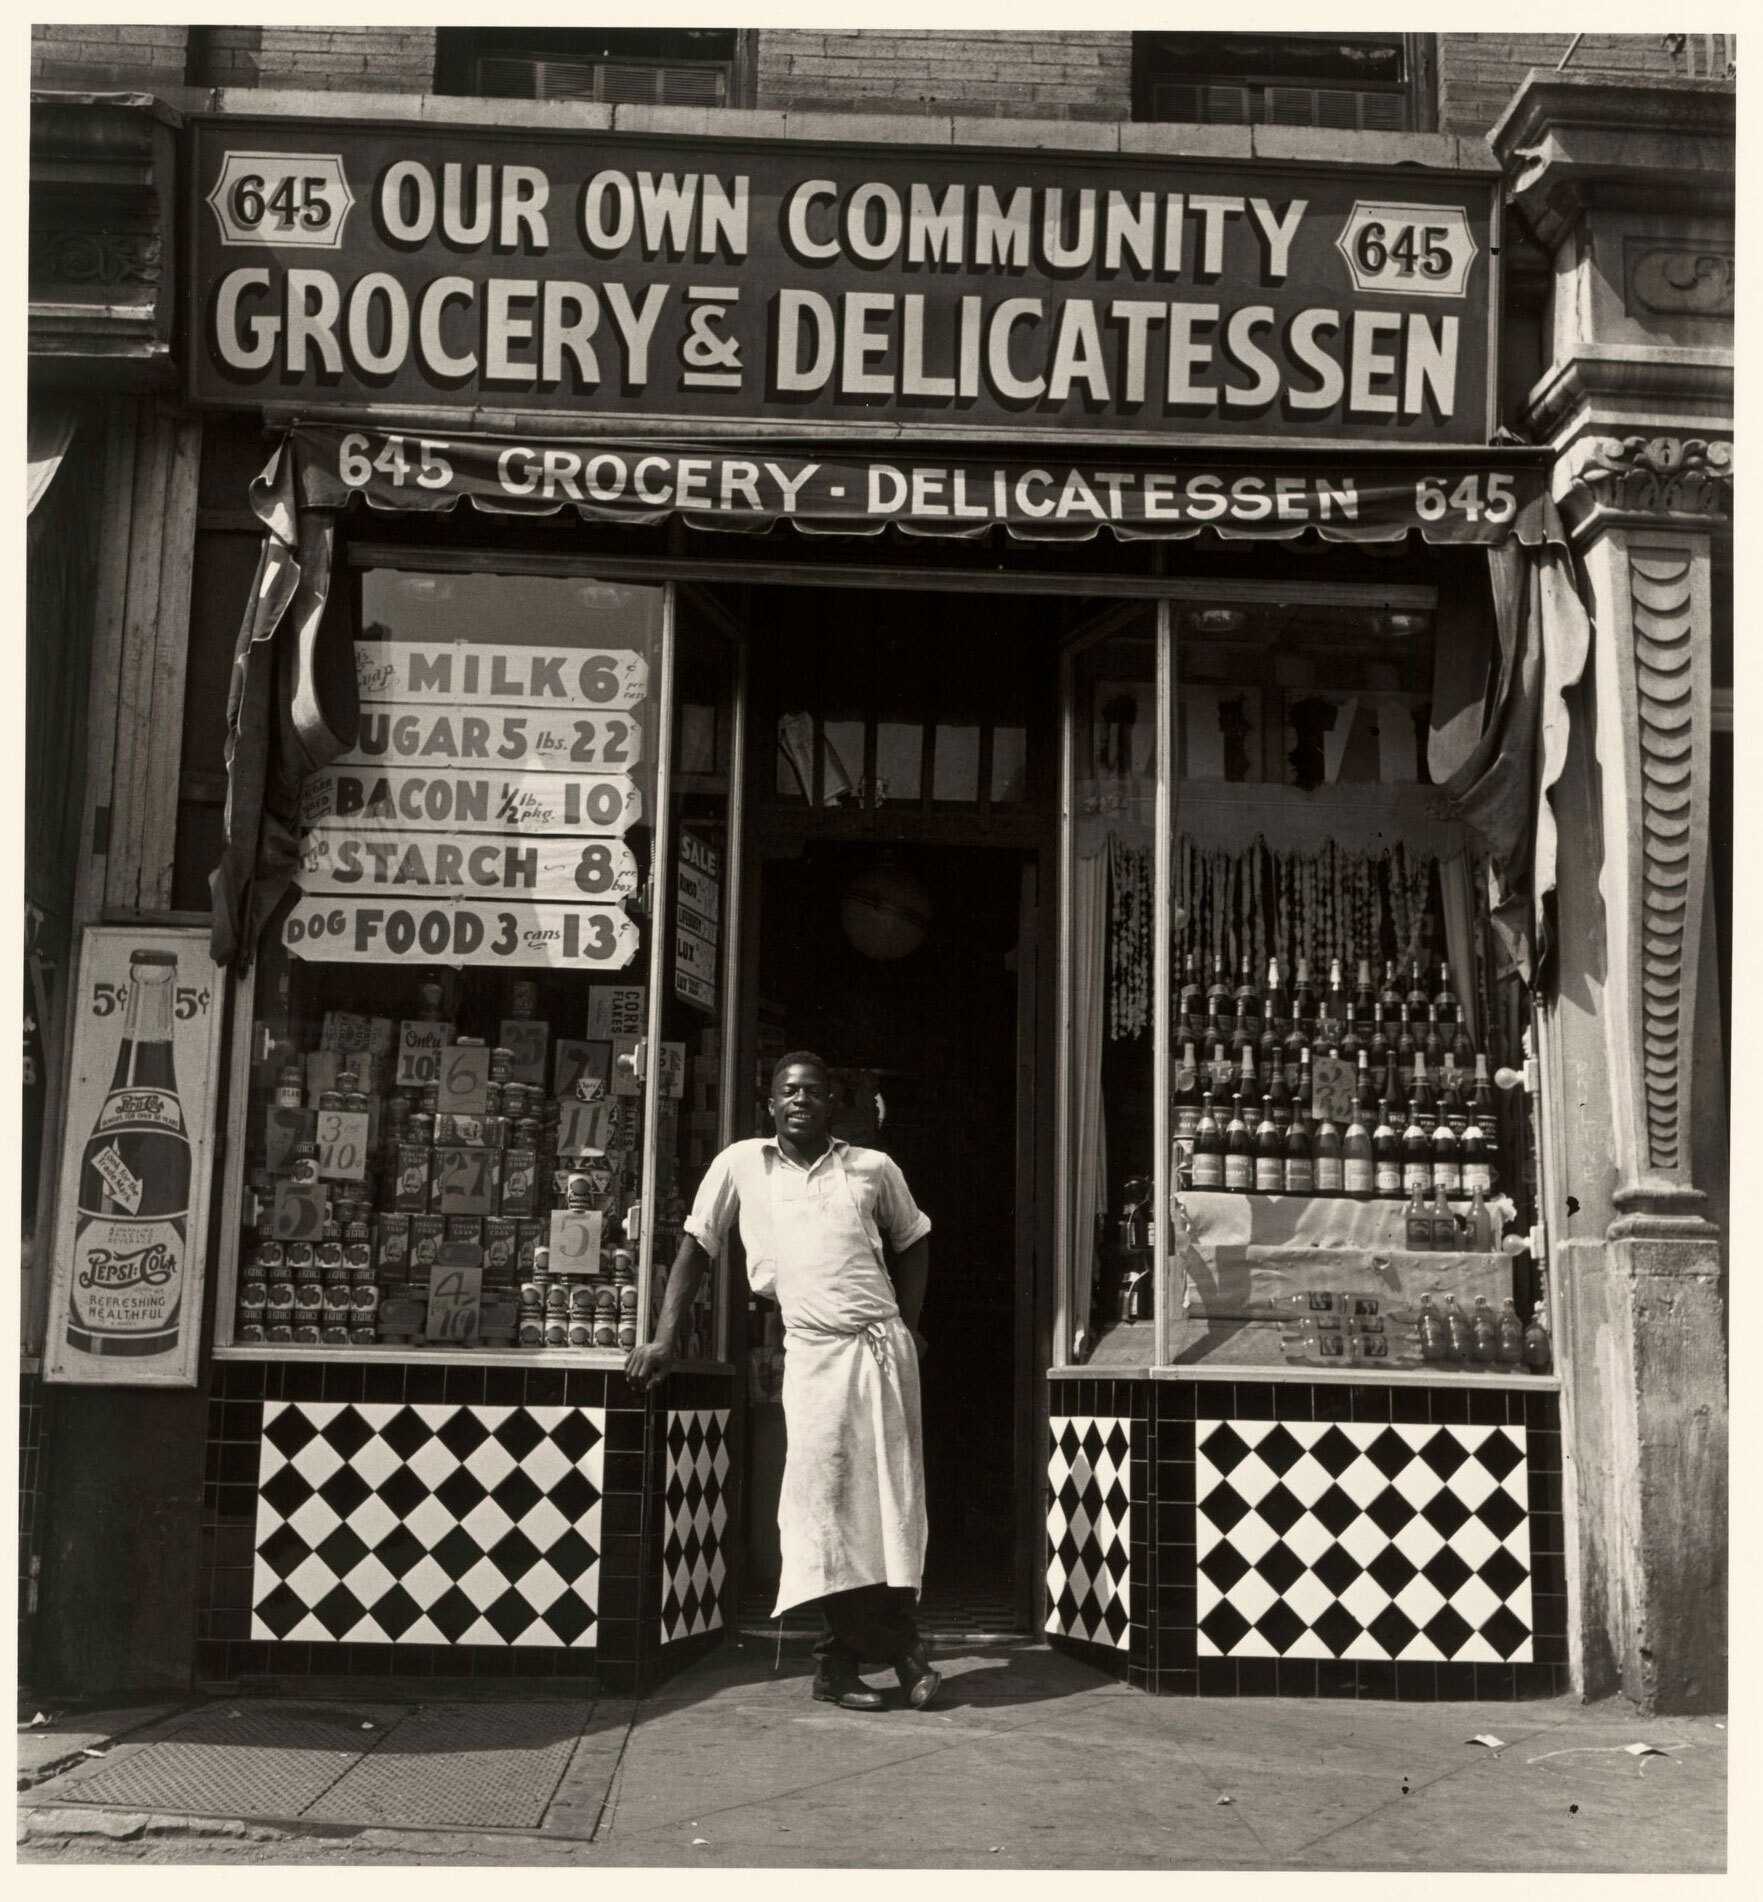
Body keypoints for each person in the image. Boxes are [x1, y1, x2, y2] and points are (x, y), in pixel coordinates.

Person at [625, 1052, 940, 1712]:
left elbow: (913, 1240)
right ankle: (901, 1654)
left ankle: (842, 1664)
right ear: (769, 1104)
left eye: (814, 1091)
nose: (800, 1100)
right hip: (813, 1355)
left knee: (889, 1505)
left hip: (880, 1351)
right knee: (821, 1507)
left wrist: (908, 1325)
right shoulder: (741, 1163)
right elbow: (695, 1250)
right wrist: (663, 1336)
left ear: (834, 1104)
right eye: (788, 1091)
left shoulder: (871, 1168)